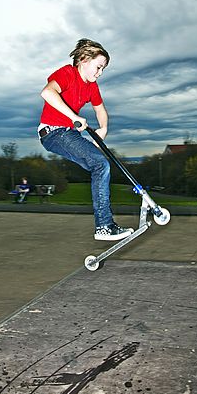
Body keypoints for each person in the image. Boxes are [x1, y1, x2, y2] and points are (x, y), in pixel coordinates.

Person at [37, 38, 133, 241]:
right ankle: (104, 227)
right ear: (83, 59)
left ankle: (105, 225)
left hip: (68, 133)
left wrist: (103, 130)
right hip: (52, 131)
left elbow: (101, 110)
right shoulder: (67, 73)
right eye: (98, 67)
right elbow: (47, 92)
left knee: (98, 164)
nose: (99, 73)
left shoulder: (92, 87)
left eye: (103, 69)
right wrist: (74, 117)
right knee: (100, 164)